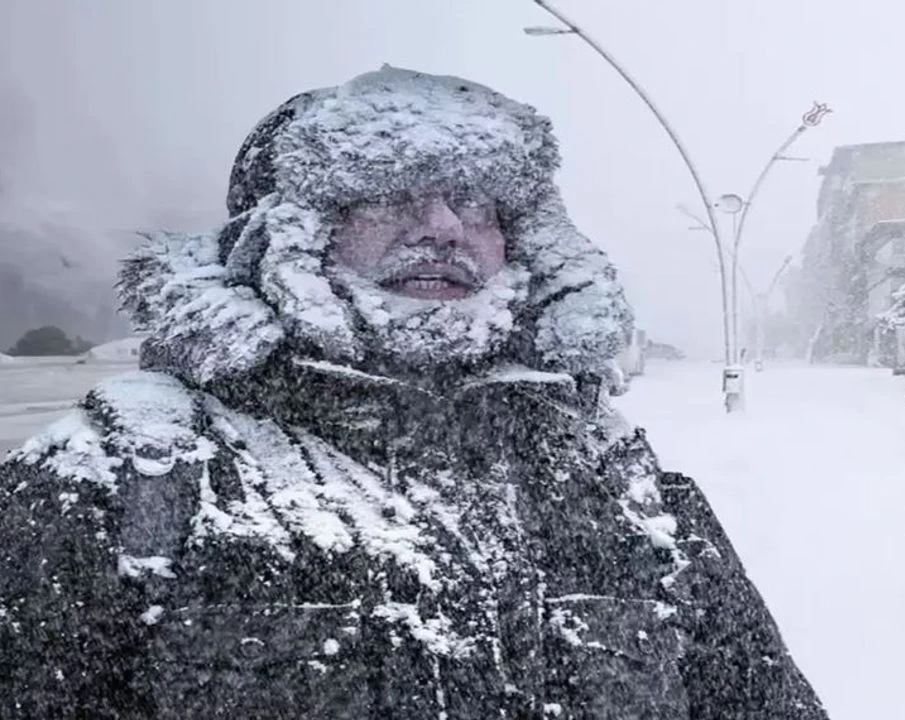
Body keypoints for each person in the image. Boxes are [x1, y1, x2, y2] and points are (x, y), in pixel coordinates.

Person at [0, 66, 829, 719]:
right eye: (386, 194)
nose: (442, 226)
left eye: (475, 200)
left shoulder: (615, 478)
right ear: (283, 233)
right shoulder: (115, 480)